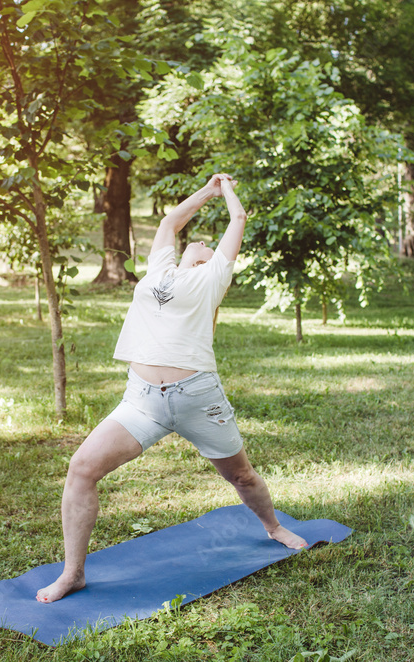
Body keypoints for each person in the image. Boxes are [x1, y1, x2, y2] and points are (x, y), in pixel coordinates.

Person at [36, 173, 307, 604]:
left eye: (206, 243)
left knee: (241, 475)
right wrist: (209, 188)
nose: (197, 240)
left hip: (198, 399)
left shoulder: (213, 278)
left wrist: (230, 191)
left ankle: (273, 526)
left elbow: (238, 217)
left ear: (206, 258)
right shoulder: (159, 270)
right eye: (194, 240)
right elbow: (170, 221)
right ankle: (73, 573)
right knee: (81, 469)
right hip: (142, 400)